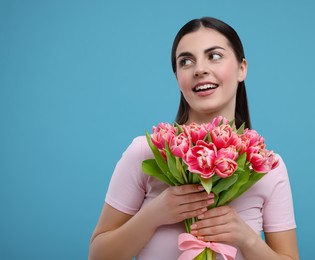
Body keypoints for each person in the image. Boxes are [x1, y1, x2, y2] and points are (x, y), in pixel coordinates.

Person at [89, 17, 299, 260]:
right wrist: (155, 214)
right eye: (186, 61)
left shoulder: (267, 166)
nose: (199, 69)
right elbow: (98, 255)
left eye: (215, 56)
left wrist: (246, 237)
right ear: (178, 77)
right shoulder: (146, 152)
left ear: (242, 68)